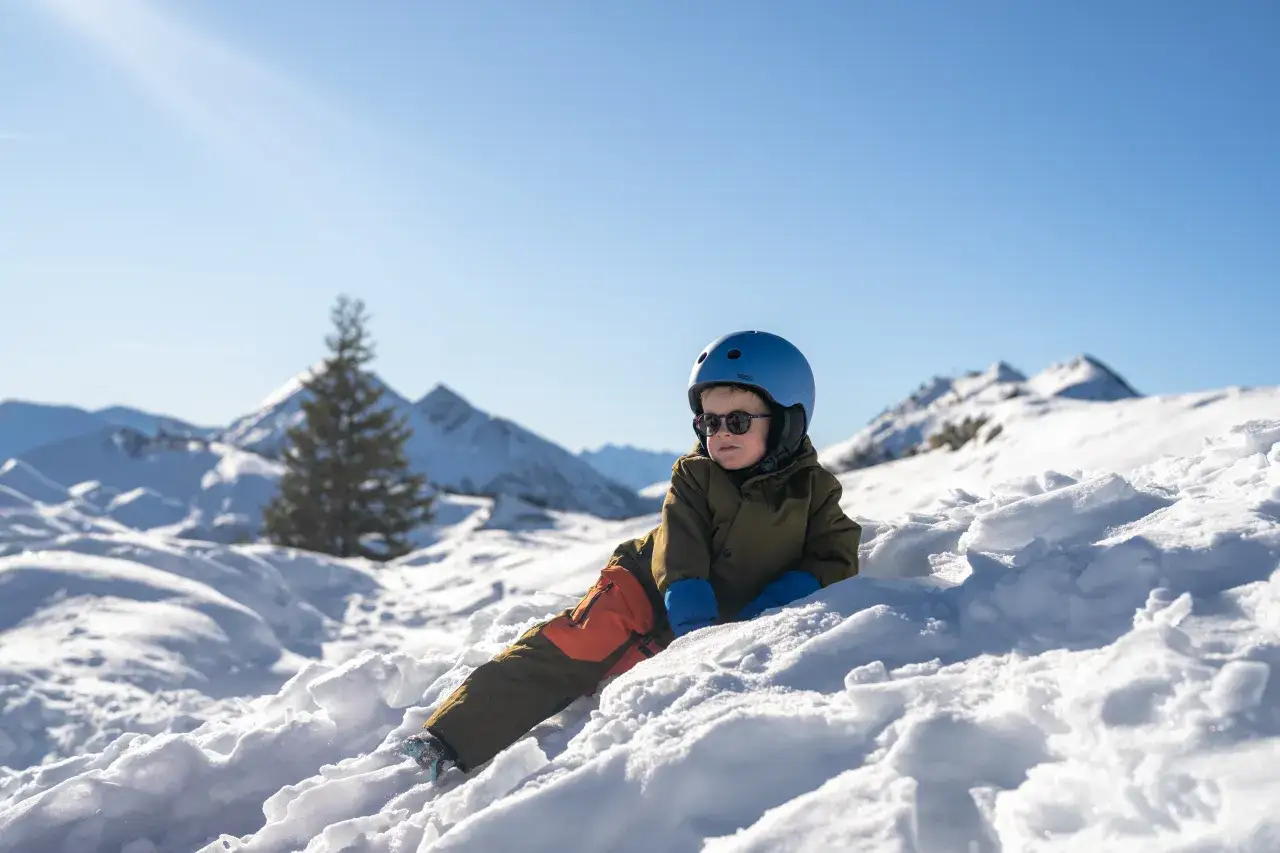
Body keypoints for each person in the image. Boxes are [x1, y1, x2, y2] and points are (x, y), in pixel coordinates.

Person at [401, 330, 863, 778]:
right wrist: (690, 613)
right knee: (575, 646)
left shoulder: (814, 490)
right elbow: (679, 544)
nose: (720, 433)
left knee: (639, 672)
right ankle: (453, 735)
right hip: (647, 584)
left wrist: (785, 597)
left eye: (738, 420)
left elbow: (835, 550)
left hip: (725, 611)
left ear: (787, 421)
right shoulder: (694, 475)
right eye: (709, 421)